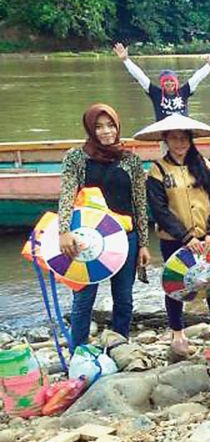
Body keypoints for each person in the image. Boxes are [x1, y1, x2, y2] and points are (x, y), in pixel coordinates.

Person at [58, 104, 150, 348]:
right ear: (90, 128)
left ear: (118, 126)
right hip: (86, 238)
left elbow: (139, 204)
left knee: (124, 298)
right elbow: (67, 194)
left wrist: (143, 244)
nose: (106, 131)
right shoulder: (76, 157)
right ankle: (78, 352)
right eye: (99, 127)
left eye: (110, 125)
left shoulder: (131, 160)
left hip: (125, 238)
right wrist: (63, 231)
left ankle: (119, 346)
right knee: (83, 298)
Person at [144, 115, 210, 356]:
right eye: (174, 138)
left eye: (183, 138)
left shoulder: (204, 166)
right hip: (175, 240)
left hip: (207, 235)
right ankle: (177, 331)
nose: (179, 143)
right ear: (166, 140)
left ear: (190, 140)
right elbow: (159, 210)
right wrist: (186, 237)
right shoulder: (158, 170)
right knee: (174, 284)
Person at [113, 43, 210, 121]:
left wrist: (209, 65)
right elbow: (140, 76)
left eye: (171, 81)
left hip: (184, 131)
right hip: (164, 134)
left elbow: (197, 77)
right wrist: (126, 60)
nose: (169, 83)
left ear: (176, 82)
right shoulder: (156, 93)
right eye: (166, 81)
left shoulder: (184, 91)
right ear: (162, 84)